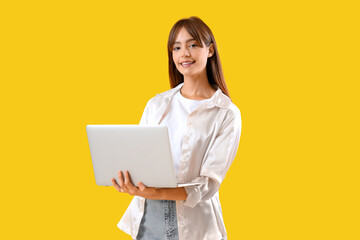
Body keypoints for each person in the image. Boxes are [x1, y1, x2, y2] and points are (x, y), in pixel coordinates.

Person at [111, 16, 242, 240]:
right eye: (177, 47)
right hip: (147, 219)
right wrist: (129, 180)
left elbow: (208, 184)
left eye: (193, 45)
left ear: (210, 50)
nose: (184, 54)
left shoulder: (226, 113)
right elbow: (139, 155)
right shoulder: (157, 104)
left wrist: (158, 192)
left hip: (196, 226)